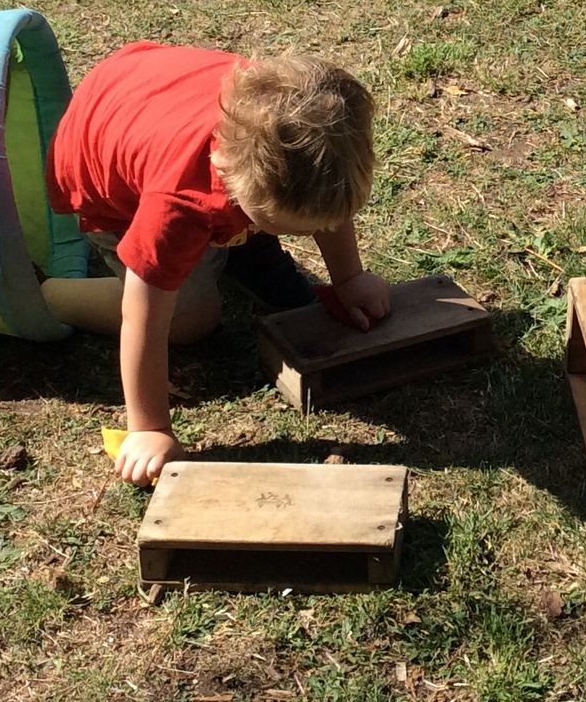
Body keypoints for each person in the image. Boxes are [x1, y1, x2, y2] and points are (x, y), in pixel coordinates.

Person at [38, 43, 392, 483]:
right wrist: (149, 428)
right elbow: (144, 320)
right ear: (228, 179)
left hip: (143, 88)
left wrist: (350, 278)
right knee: (190, 318)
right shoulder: (178, 205)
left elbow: (325, 201)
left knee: (284, 215)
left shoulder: (301, 127)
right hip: (100, 172)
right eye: (278, 226)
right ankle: (53, 296)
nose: (307, 235)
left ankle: (240, 247)